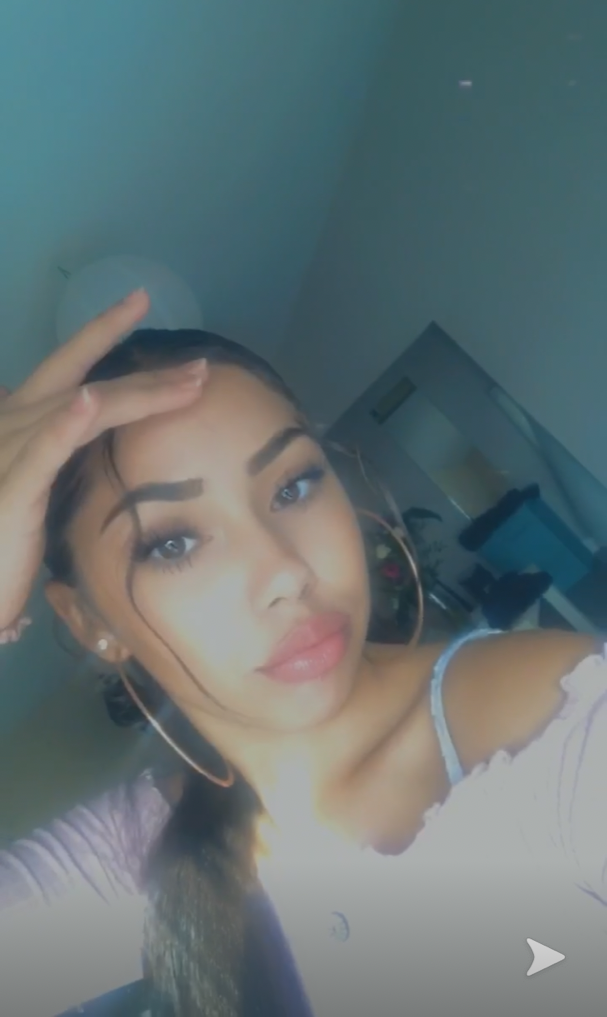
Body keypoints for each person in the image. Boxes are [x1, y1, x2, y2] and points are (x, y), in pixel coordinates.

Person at [0, 288, 603, 1017]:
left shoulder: (548, 722)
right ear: (92, 621)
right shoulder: (132, 856)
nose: (284, 571)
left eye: (293, 486)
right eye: (174, 543)